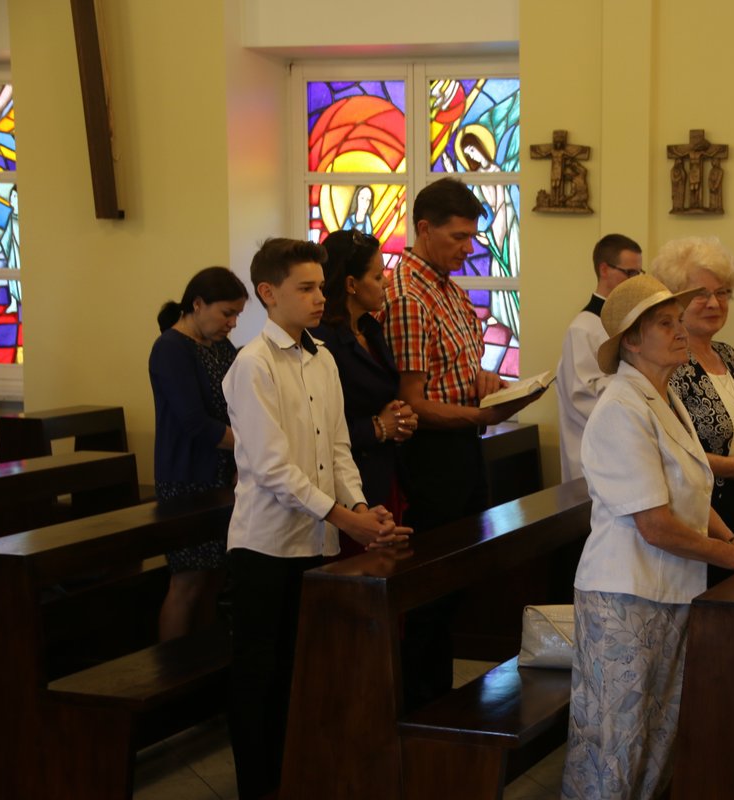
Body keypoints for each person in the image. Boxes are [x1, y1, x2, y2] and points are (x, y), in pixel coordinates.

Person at [562, 275, 734, 800]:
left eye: (676, 320)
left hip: (667, 592)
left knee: (658, 742)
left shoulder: (664, 399)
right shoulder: (620, 408)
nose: (680, 330)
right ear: (631, 341)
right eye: (665, 324)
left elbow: (692, 490)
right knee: (615, 749)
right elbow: (655, 524)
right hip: (624, 599)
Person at [223, 238, 410, 800]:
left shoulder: (322, 357)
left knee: (301, 673)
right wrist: (344, 518)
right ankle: (258, 788)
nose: (318, 298)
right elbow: (273, 469)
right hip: (264, 546)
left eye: (320, 287)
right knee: (259, 680)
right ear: (267, 293)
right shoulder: (252, 365)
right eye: (304, 288)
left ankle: (297, 779)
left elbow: (337, 450)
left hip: (316, 539)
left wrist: (360, 508)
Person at [383, 177, 542, 711]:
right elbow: (412, 402)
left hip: (462, 448)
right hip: (429, 456)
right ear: (424, 229)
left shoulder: (448, 289)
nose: (467, 248)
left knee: (457, 582)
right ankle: (419, 703)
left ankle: (441, 699)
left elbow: (456, 372)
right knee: (431, 587)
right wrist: (481, 414)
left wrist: (488, 384)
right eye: (457, 237)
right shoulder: (408, 296)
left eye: (471, 236)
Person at [649, 237, 734, 537]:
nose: (714, 303)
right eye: (701, 294)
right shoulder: (669, 364)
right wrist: (733, 467)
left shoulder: (727, 355)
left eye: (722, 293)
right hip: (705, 511)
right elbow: (666, 451)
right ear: (674, 301)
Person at [148, 266, 248, 641]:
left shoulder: (220, 346)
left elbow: (239, 403)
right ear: (198, 304)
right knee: (187, 581)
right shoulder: (171, 348)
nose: (233, 323)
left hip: (222, 477)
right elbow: (194, 422)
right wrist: (253, 446)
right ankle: (172, 665)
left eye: (237, 314)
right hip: (186, 477)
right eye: (227, 313)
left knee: (215, 578)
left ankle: (203, 658)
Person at [311, 229, 417, 532]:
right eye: (378, 276)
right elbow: (320, 426)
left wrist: (400, 418)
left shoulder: (370, 328)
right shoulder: (322, 339)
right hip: (347, 482)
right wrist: (379, 427)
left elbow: (381, 394)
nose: (387, 283)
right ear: (351, 285)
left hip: (384, 470)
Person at [555, 233, 643, 481]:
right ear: (604, 269)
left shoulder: (625, 322)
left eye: (639, 273)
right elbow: (583, 396)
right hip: (595, 454)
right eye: (629, 273)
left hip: (625, 446)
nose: (635, 281)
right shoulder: (583, 328)